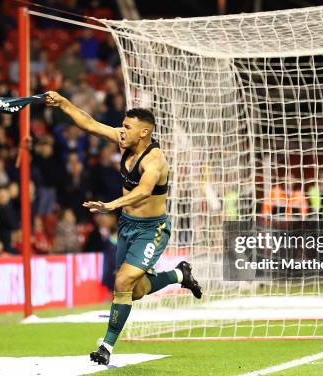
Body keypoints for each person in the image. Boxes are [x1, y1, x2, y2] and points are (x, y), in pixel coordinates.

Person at [46, 91, 202, 365]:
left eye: (127, 127)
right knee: (136, 290)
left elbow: (143, 192)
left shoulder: (155, 161)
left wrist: (111, 204)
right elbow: (90, 124)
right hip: (128, 226)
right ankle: (180, 274)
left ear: (144, 132)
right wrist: (64, 103)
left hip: (151, 229)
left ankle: (106, 345)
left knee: (122, 282)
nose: (121, 131)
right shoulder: (124, 142)